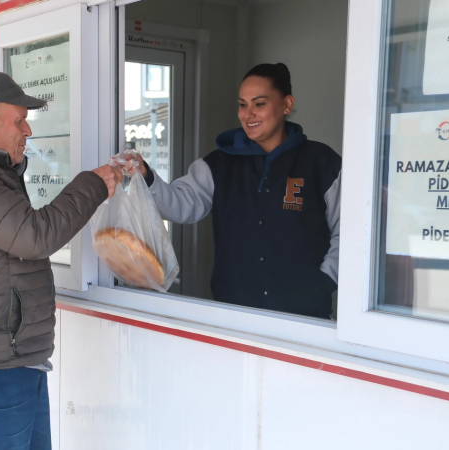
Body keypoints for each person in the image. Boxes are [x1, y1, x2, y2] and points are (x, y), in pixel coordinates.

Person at [0, 72, 121, 449]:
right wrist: (93, 185)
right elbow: (34, 236)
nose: (27, 130)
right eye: (19, 120)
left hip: (6, 363)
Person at [127, 63, 341, 319]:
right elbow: (180, 205)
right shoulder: (218, 164)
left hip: (305, 318)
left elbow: (350, 233)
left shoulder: (321, 163)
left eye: (259, 104)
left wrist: (324, 281)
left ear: (286, 105)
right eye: (242, 104)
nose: (247, 114)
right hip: (235, 316)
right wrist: (147, 177)